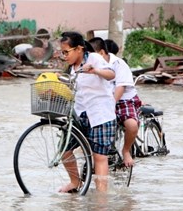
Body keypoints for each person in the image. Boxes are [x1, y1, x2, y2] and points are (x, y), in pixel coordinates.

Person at [59, 31, 116, 193]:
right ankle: (75, 182)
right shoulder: (71, 67)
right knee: (65, 150)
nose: (64, 56)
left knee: (99, 156)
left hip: (100, 113)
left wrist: (95, 71)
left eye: (66, 52)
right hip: (80, 113)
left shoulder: (94, 58)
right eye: (62, 52)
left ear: (79, 49)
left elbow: (111, 74)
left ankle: (101, 195)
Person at [89, 37, 140, 167]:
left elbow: (120, 87)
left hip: (123, 99)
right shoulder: (91, 65)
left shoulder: (118, 63)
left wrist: (110, 105)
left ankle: (126, 150)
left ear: (101, 53)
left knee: (132, 125)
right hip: (102, 99)